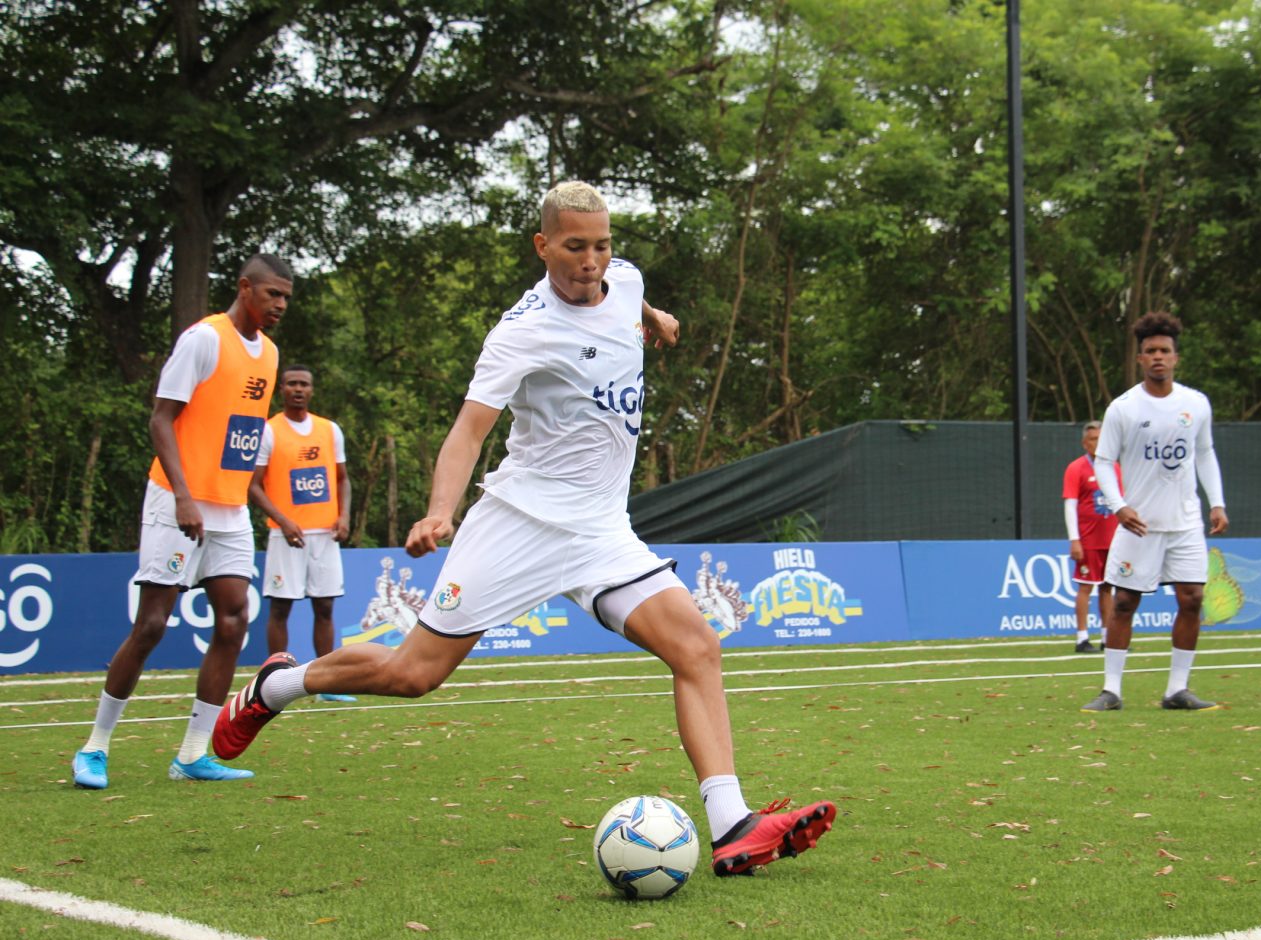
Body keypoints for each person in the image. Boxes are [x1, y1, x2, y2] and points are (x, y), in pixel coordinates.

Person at [213, 182, 835, 875]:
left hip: (600, 532)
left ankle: (732, 826)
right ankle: (277, 687)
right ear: (543, 247)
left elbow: (631, 301)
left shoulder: (624, 281)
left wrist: (657, 320)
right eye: (574, 247)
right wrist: (440, 511)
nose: (591, 261)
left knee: (696, 647)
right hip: (519, 526)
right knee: (412, 675)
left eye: (601, 245)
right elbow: (468, 430)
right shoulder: (523, 330)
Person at [71, 254, 291, 789]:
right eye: (271, 295)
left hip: (230, 508)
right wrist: (186, 497)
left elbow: (239, 431)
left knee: (234, 621)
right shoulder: (203, 339)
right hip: (178, 499)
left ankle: (192, 755)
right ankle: (94, 748)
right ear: (245, 289)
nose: (280, 305)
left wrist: (233, 496)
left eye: (286, 297)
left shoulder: (271, 354)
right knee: (151, 625)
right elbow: (161, 418)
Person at [1080, 311, 1229, 713]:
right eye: (1150, 351)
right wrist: (1120, 507)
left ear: (1176, 357)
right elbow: (1104, 462)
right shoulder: (1123, 408)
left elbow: (1204, 453)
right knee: (1125, 602)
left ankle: (1177, 690)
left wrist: (1217, 502)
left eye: (1165, 350)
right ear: (1140, 359)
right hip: (1139, 525)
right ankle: (1111, 690)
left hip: (1184, 524)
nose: (1158, 357)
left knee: (1192, 598)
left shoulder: (1195, 404)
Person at [248, 365, 356, 703]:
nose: (298, 389)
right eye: (292, 383)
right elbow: (253, 486)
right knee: (281, 608)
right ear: (282, 389)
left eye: (304, 384)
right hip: (287, 535)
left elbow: (342, 479)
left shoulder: (329, 430)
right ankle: (273, 683)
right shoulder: (268, 431)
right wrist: (282, 520)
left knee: (324, 608)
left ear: (311, 390)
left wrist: (344, 515)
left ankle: (326, 684)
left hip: (324, 534)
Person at [1063, 420, 1119, 653]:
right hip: (1088, 540)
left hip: (1113, 539)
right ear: (1085, 443)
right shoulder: (1076, 468)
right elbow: (1070, 504)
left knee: (1108, 588)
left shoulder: (1115, 467)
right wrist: (1074, 538)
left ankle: (1108, 637)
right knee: (1085, 587)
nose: (1098, 443)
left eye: (1101, 438)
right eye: (1093, 439)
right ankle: (1082, 638)